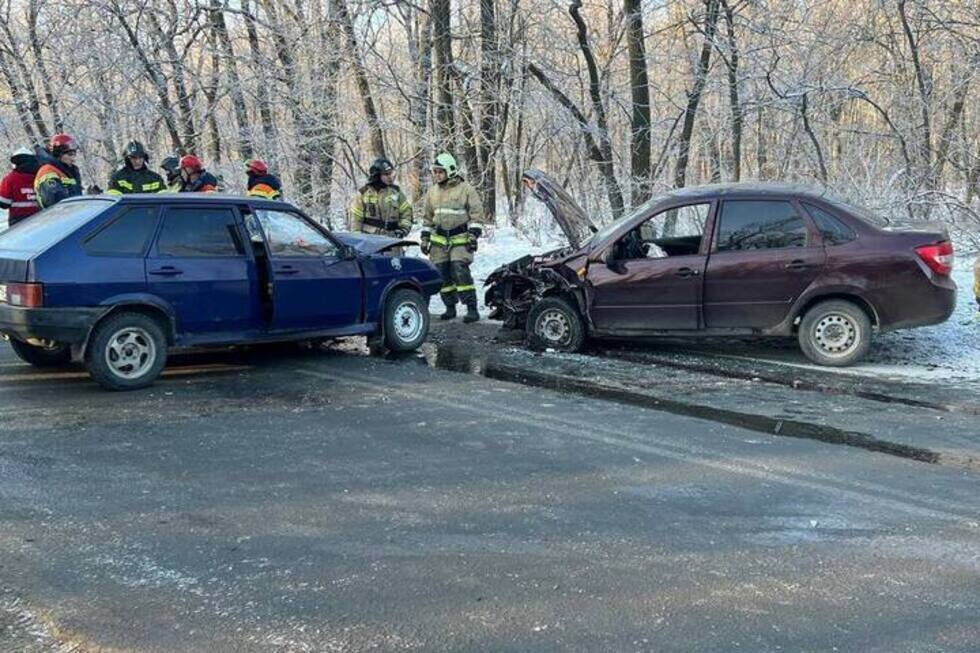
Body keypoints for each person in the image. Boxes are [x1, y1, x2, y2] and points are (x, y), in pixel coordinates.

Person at [421, 152, 485, 323]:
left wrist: (473, 235)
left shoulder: (466, 189)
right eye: (434, 171)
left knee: (460, 271)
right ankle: (450, 307)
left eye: (440, 171)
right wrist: (425, 239)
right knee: (441, 275)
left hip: (460, 239)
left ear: (450, 171)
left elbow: (477, 215)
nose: (436, 175)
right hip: (438, 242)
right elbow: (427, 218)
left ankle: (472, 308)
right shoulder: (432, 192)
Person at [350, 157, 412, 239]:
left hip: (392, 240)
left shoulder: (396, 192)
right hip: (370, 241)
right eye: (386, 174)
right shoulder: (363, 194)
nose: (390, 177)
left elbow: (406, 213)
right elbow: (356, 221)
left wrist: (403, 229)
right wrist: (357, 241)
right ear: (377, 175)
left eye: (391, 173)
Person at [33, 133, 82, 209]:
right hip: (56, 218)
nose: (73, 158)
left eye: (74, 154)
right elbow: (57, 202)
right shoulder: (48, 171)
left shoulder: (67, 171)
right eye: (70, 154)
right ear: (58, 154)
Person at [0, 147, 41, 226]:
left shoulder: (10, 179)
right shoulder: (41, 175)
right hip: (43, 216)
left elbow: (4, 203)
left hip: (19, 221)